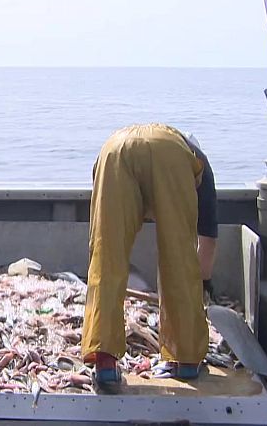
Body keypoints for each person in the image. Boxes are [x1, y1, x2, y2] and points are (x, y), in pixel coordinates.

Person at [81, 123, 218, 390]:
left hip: (113, 151)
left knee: (106, 256)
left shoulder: (116, 146)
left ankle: (104, 364)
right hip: (169, 156)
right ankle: (187, 361)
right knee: (179, 255)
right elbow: (208, 239)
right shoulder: (197, 163)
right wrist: (203, 282)